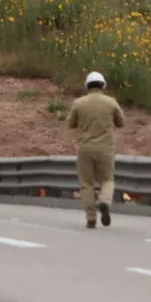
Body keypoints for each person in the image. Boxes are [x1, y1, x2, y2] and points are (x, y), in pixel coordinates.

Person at [66, 71, 126, 229]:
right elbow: (121, 122)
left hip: (84, 148)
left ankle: (91, 217)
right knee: (107, 179)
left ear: (87, 86)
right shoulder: (111, 102)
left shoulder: (78, 103)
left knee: (86, 183)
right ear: (103, 85)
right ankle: (105, 202)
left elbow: (70, 123)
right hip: (105, 148)